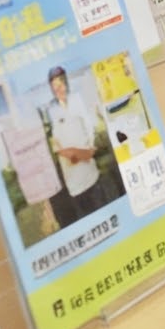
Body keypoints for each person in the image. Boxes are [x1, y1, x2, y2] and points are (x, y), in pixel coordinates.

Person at [44, 66, 112, 227]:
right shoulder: (51, 110)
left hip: (90, 170)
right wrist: (70, 154)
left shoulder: (77, 99)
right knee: (87, 219)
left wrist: (87, 150)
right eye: (54, 85)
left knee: (103, 212)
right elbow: (55, 143)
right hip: (72, 176)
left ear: (66, 82)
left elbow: (89, 126)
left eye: (61, 83)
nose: (58, 88)